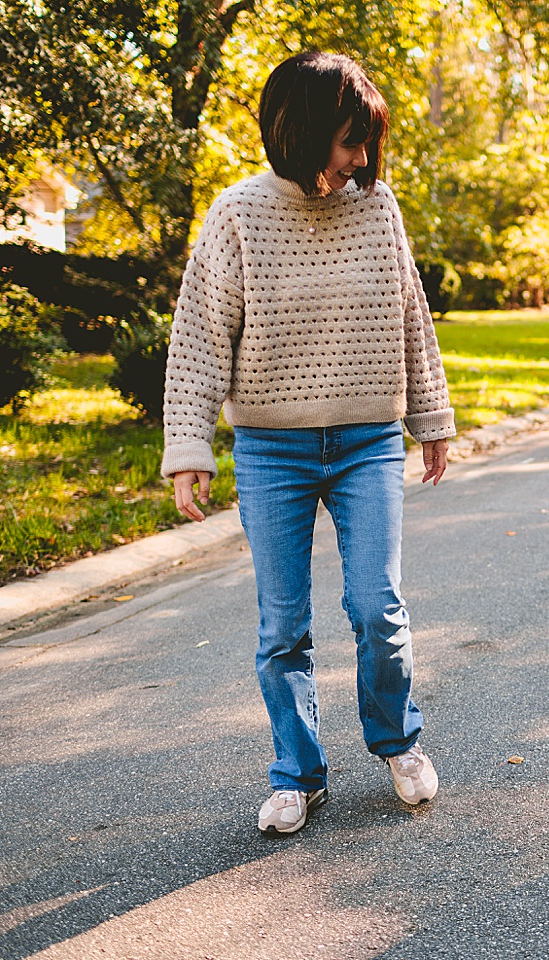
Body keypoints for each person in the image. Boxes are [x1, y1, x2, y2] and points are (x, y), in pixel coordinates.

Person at [161, 52, 456, 835]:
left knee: (377, 608)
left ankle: (397, 741)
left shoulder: (376, 207)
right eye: (348, 141)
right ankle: (297, 772)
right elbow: (197, 337)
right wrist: (189, 444)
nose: (360, 159)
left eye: (367, 143)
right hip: (270, 448)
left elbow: (409, 314)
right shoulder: (237, 214)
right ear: (300, 131)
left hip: (366, 440)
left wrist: (430, 417)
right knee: (282, 625)